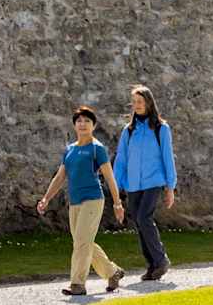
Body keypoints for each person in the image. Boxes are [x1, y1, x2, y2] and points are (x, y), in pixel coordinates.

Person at [36, 105, 126, 298]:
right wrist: (46, 198)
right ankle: (112, 272)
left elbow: (110, 178)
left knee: (82, 243)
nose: (83, 124)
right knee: (83, 242)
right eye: (79, 121)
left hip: (93, 200)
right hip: (75, 202)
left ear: (93, 125)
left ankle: (78, 284)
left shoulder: (97, 149)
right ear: (74, 126)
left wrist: (117, 203)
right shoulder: (70, 150)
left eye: (87, 121)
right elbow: (60, 178)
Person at [114, 85, 176, 283]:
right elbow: (121, 159)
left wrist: (170, 187)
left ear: (149, 102)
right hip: (133, 183)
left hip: (154, 180)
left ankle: (161, 259)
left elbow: (168, 157)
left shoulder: (161, 128)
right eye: (134, 102)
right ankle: (152, 265)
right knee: (139, 222)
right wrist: (117, 185)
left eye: (140, 102)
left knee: (144, 217)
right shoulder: (128, 130)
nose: (137, 105)